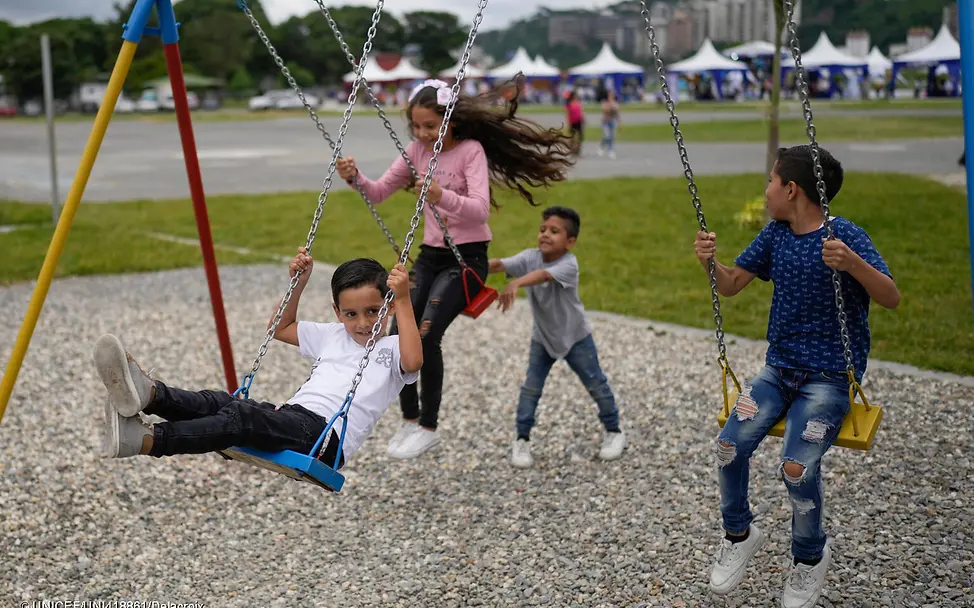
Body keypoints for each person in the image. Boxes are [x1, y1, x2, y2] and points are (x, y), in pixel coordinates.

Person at [693, 145, 900, 607]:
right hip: (778, 371)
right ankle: (739, 534)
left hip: (828, 378)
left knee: (796, 467)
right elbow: (729, 285)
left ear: (791, 189)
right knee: (729, 445)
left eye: (770, 181)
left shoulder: (845, 236)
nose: (765, 190)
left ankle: (809, 558)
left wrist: (852, 264)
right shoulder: (775, 236)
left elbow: (891, 297)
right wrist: (709, 261)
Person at [335, 77, 575, 460]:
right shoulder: (415, 150)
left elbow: (479, 208)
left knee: (427, 337)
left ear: (450, 121)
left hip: (467, 258)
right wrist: (354, 178)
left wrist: (439, 195)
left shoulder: (470, 151)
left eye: (430, 125)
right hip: (430, 256)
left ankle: (429, 426)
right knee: (398, 331)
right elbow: (378, 191)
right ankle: (410, 420)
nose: (422, 133)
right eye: (416, 126)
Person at [94, 253, 423, 468]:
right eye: (351, 314)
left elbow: (413, 361)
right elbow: (280, 327)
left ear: (389, 307)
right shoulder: (332, 334)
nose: (363, 323)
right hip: (293, 417)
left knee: (239, 417)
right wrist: (299, 284)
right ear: (337, 312)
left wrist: (405, 299)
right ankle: (149, 394)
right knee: (220, 402)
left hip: (324, 440)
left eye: (373, 311)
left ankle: (148, 440)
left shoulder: (392, 347)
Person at [488, 206, 626, 468]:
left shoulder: (568, 264)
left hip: (575, 337)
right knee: (531, 388)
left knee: (596, 384)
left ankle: (614, 431)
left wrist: (516, 283)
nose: (545, 235)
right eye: (542, 229)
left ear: (570, 241)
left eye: (554, 231)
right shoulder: (529, 257)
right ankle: (522, 439)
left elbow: (542, 276)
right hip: (543, 339)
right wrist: (468, 267)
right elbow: (499, 264)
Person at [598, 89, 620, 159]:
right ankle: (601, 146)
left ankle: (611, 150)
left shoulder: (616, 103)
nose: (611, 96)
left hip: (613, 121)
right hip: (605, 122)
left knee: (612, 136)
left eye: (612, 95)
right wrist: (610, 104)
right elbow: (606, 111)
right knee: (606, 135)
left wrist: (619, 122)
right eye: (610, 95)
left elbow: (617, 113)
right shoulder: (604, 103)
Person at [564, 90, 584, 156]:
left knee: (580, 136)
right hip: (572, 122)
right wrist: (568, 123)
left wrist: (583, 118)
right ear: (572, 96)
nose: (576, 96)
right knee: (572, 137)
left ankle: (578, 151)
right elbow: (567, 114)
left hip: (579, 121)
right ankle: (571, 150)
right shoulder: (569, 104)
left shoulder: (578, 102)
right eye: (575, 95)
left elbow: (581, 112)